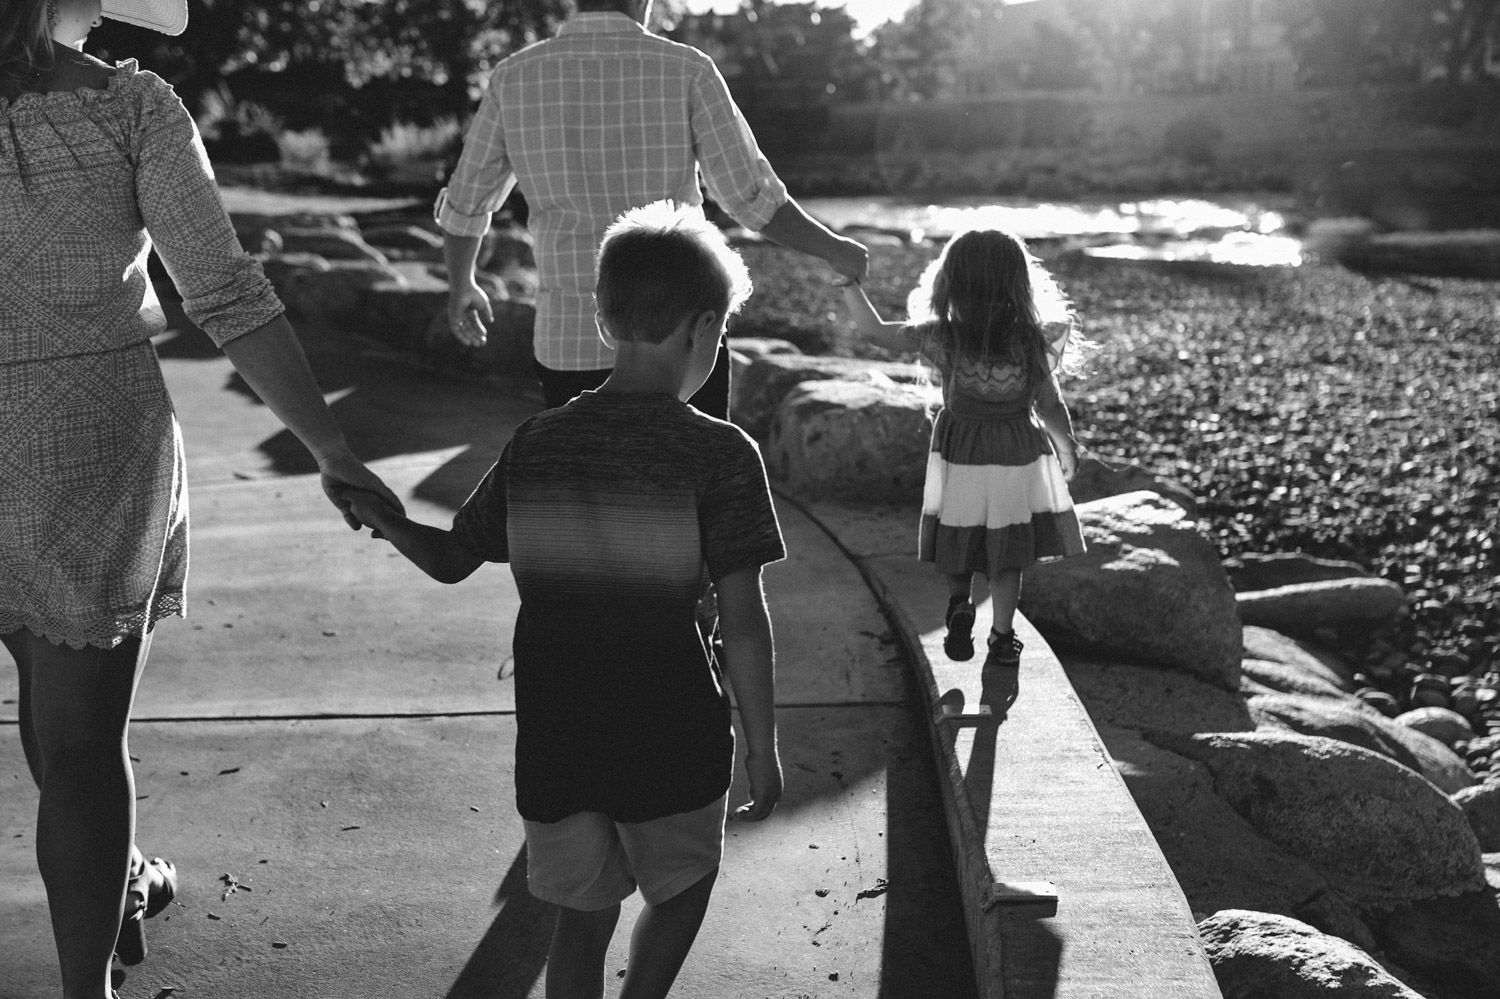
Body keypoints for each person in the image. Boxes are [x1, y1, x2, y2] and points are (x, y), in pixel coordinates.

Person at [0, 0, 401, 994]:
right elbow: (221, 290)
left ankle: (119, 883)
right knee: (82, 733)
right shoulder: (129, 109)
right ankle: (90, 977)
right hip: (90, 435)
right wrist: (330, 446)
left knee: (48, 708)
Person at [345, 201, 784, 999]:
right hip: (672, 731)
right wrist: (762, 746)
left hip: (558, 732)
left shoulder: (538, 441)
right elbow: (745, 625)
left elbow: (451, 559)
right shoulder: (719, 454)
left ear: (603, 315)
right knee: (682, 883)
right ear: (705, 327)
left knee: (579, 917)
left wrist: (388, 520)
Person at [434, 0, 868, 416]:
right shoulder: (687, 68)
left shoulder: (513, 78)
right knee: (692, 485)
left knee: (585, 487)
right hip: (682, 347)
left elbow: (466, 203)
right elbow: (749, 197)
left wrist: (462, 285)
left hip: (568, 340)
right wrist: (832, 248)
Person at [837, 230, 1088, 667]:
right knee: (1009, 550)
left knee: (958, 530)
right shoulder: (1030, 340)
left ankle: (959, 602)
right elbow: (1050, 403)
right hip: (1016, 453)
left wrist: (850, 286)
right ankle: (1002, 637)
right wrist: (1066, 449)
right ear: (1019, 282)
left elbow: (876, 333)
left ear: (949, 281)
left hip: (960, 451)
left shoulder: (944, 337)